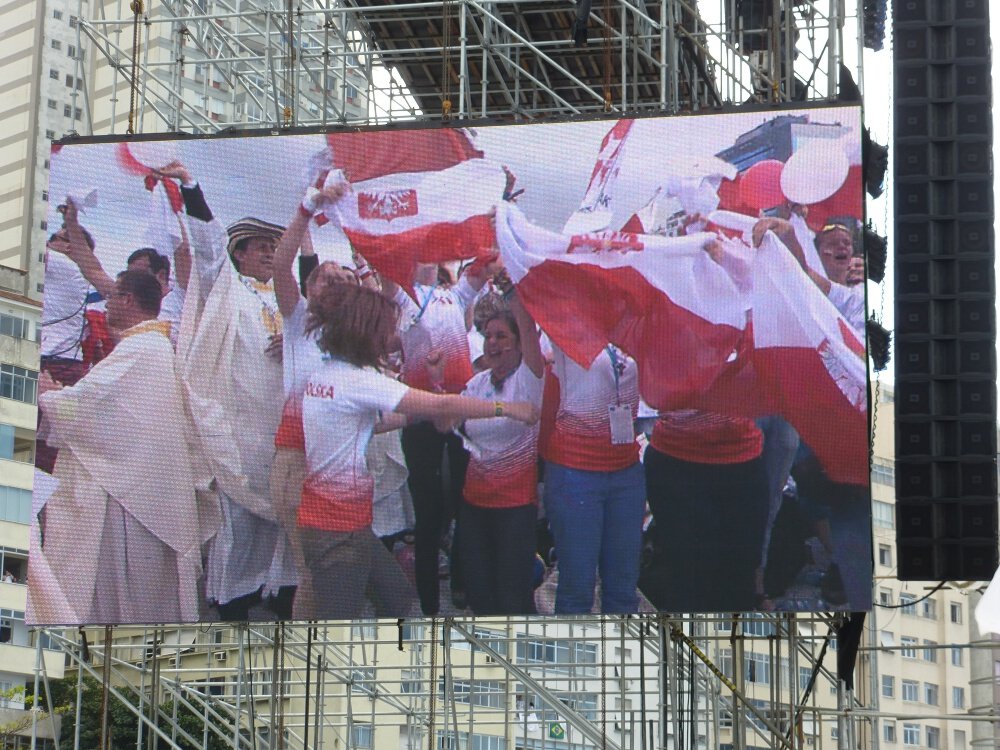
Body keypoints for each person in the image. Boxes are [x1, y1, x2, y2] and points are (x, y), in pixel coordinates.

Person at [299, 283, 538, 619]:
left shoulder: (325, 376)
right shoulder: (359, 381)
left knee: (400, 603)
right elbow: (442, 405)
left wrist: (435, 388)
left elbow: (385, 420)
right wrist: (509, 409)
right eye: (384, 332)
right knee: (338, 633)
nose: (390, 341)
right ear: (363, 332)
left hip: (342, 526)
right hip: (337, 533)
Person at [159, 161, 296, 621]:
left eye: (275, 247)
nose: (268, 253)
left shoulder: (285, 298)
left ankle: (276, 588)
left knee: (280, 513)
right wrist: (191, 185)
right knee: (239, 515)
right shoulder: (226, 288)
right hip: (240, 424)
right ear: (238, 252)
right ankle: (233, 599)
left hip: (278, 423)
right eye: (260, 246)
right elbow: (205, 245)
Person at [30, 270, 204, 623]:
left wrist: (52, 395)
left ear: (127, 300)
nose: (106, 304)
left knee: (118, 588)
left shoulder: (143, 349)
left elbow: (95, 406)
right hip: (138, 484)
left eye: (111, 296)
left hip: (129, 492)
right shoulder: (151, 346)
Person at [384, 260, 490, 615]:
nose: (428, 262)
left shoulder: (455, 296)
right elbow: (386, 272)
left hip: (459, 414)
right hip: (421, 416)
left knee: (465, 504)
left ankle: (462, 583)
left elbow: (482, 268)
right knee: (428, 516)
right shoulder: (405, 295)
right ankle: (429, 605)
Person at [451, 282, 545, 615]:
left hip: (514, 508)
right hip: (473, 506)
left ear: (519, 344)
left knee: (512, 598)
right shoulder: (476, 383)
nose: (492, 343)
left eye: (502, 336)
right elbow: (441, 421)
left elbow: (531, 336)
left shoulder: (530, 380)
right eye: (488, 336)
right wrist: (435, 383)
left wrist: (514, 297)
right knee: (481, 596)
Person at [542, 341, 644, 613]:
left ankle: (621, 653)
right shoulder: (569, 324)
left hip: (626, 471)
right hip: (575, 471)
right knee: (577, 587)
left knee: (623, 590)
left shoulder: (633, 323)